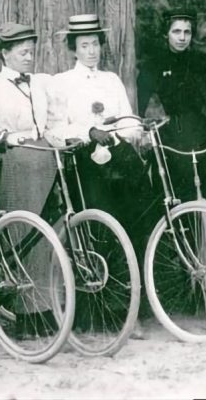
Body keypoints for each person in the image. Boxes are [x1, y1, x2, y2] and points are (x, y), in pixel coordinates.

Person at [48, 14, 159, 257]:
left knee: (142, 216)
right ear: (73, 49)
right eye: (84, 46)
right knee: (104, 225)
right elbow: (54, 130)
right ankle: (109, 286)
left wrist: (139, 133)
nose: (91, 51)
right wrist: (88, 131)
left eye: (95, 44)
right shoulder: (62, 83)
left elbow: (127, 120)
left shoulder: (111, 80)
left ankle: (144, 280)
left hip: (121, 155)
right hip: (86, 162)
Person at [137, 11, 206, 209]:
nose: (182, 38)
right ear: (167, 34)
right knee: (175, 192)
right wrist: (143, 133)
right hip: (169, 134)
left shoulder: (202, 62)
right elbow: (142, 104)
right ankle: (174, 237)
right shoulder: (153, 65)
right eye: (176, 32)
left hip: (200, 132)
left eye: (187, 32)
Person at [0, 21, 58, 216]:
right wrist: (8, 138)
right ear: (5, 53)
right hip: (12, 158)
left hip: (46, 155)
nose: (30, 58)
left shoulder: (42, 83)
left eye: (32, 52)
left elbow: (53, 121)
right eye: (23, 53)